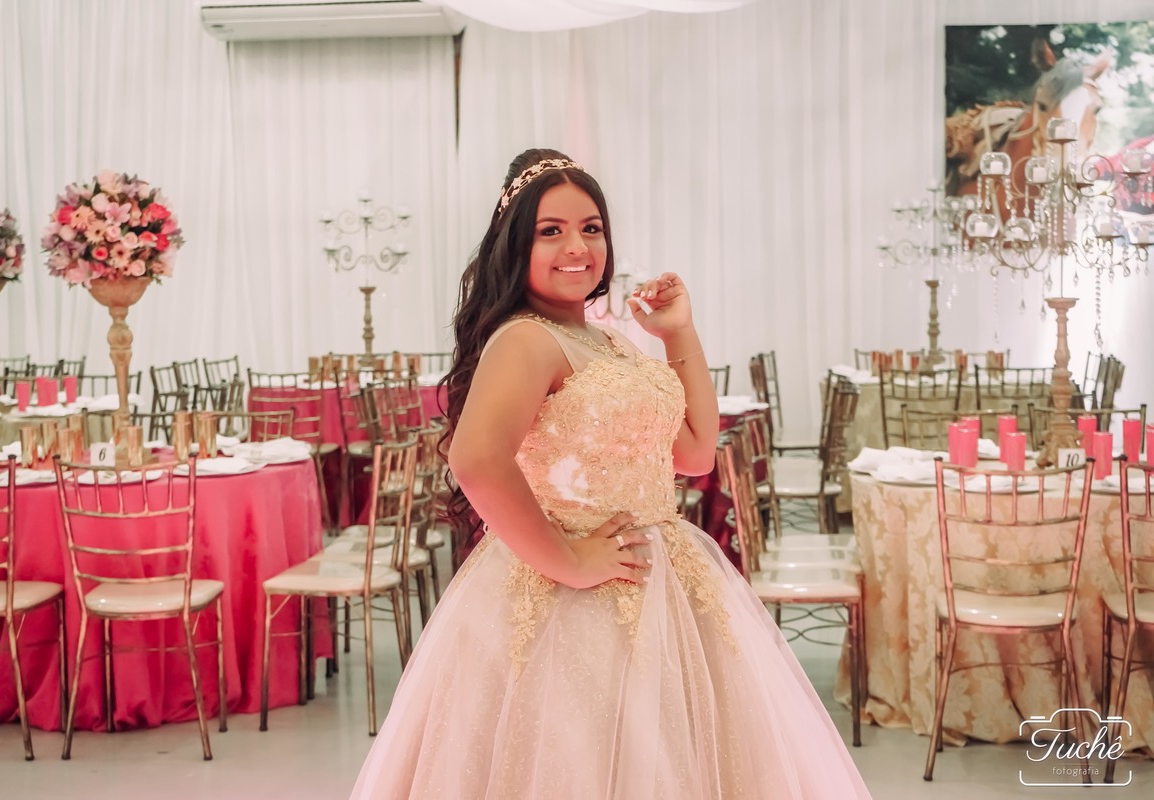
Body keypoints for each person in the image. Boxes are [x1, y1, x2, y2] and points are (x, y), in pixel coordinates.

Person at [349, 149, 871, 798]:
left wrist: (678, 333)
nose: (577, 246)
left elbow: (695, 453)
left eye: (591, 227)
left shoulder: (606, 339)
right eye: (552, 230)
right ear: (516, 244)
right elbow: (476, 460)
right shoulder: (526, 339)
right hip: (571, 597)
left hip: (661, 579)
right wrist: (567, 560)